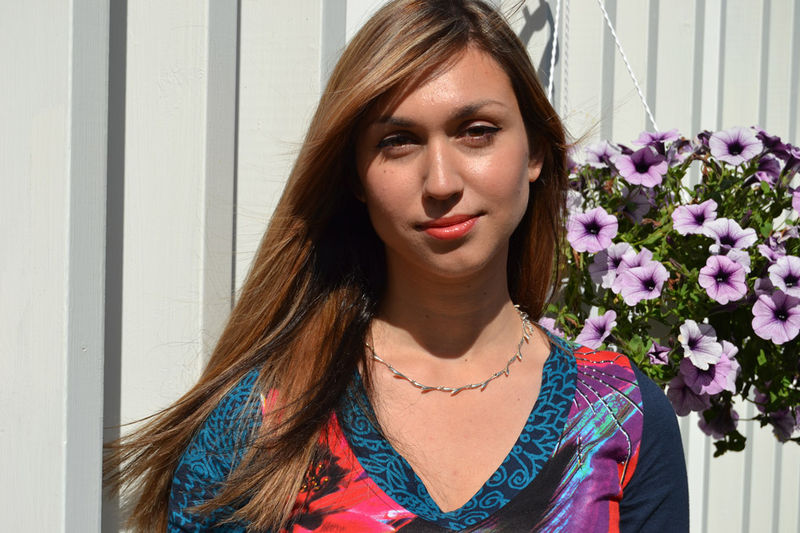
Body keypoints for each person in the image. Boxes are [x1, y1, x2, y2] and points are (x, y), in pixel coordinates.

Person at [105, 0, 689, 531]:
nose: (441, 182)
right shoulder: (261, 423)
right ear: (356, 178)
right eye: (398, 141)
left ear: (535, 151)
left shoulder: (623, 414)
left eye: (476, 132)